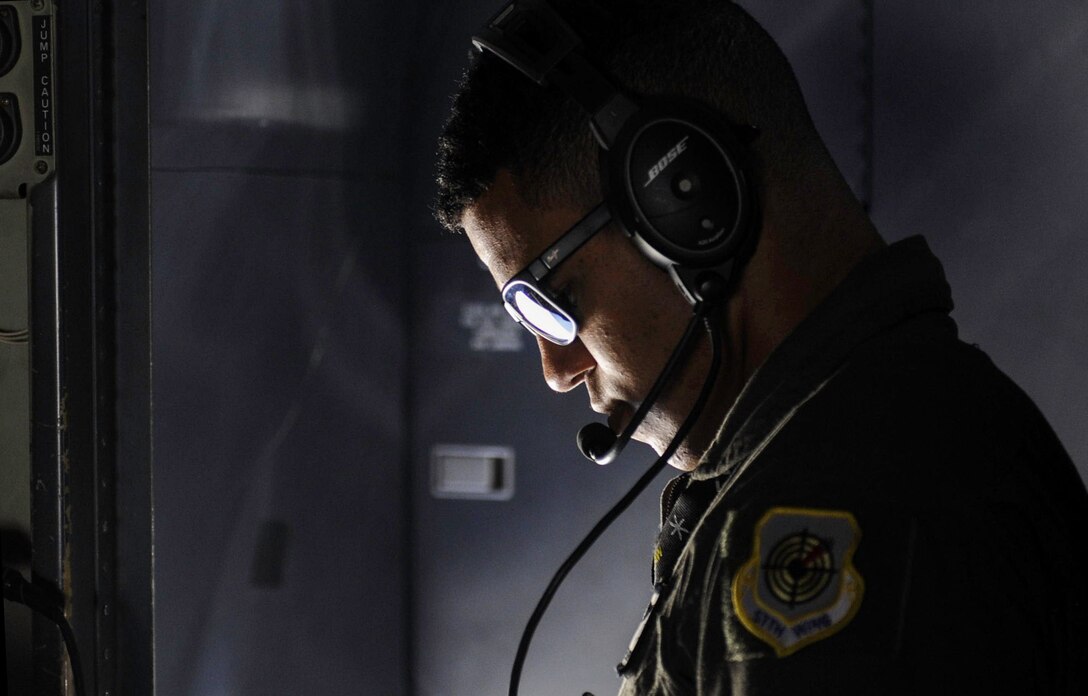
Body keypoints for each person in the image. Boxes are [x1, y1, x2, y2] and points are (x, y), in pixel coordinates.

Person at [433, 0, 1088, 693]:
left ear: (686, 207)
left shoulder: (848, 511)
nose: (558, 370)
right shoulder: (880, 435)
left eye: (556, 303)